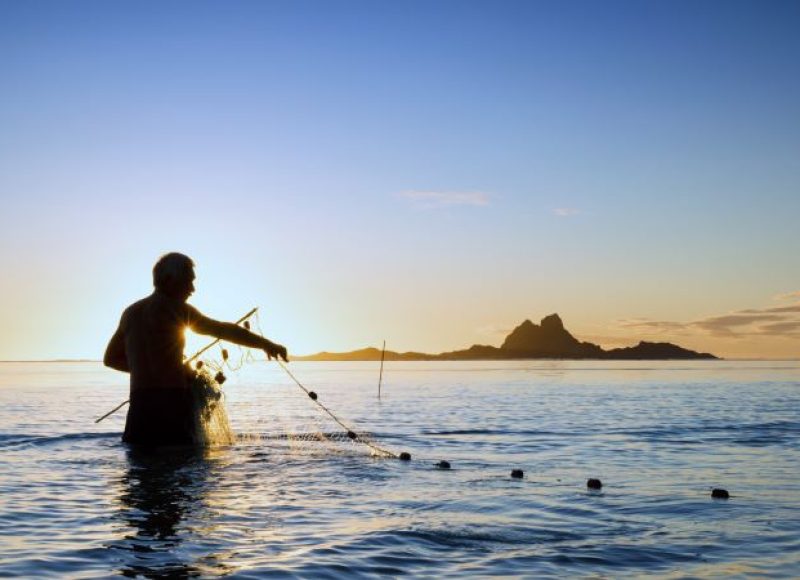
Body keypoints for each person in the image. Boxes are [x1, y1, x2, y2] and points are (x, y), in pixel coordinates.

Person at [104, 252, 288, 446]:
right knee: (181, 466)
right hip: (172, 407)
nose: (192, 289)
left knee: (143, 472)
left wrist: (151, 370)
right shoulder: (178, 310)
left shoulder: (131, 313)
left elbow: (110, 359)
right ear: (168, 280)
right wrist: (267, 344)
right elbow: (223, 330)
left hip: (139, 412)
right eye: (188, 281)